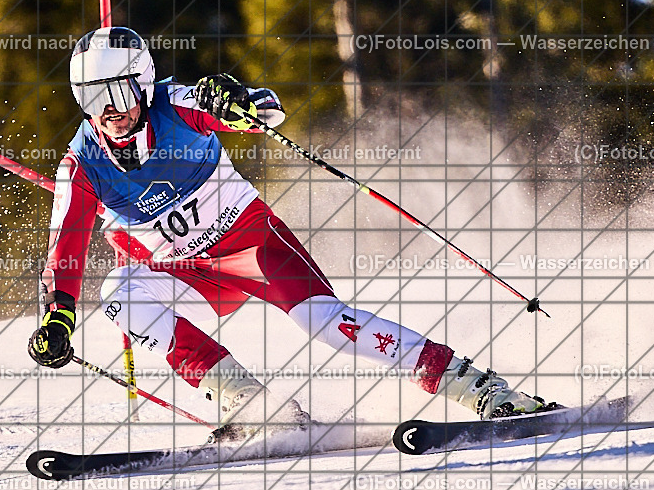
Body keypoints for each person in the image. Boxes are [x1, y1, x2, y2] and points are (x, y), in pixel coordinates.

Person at [27, 26, 552, 441]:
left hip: (249, 244)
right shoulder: (81, 166)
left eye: (115, 91)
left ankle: (477, 388)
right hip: (178, 269)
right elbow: (65, 250)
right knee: (119, 292)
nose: (108, 111)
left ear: (141, 82)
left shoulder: (178, 103)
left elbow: (267, 109)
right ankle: (247, 402)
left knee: (328, 324)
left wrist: (238, 105)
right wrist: (57, 319)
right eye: (91, 99)